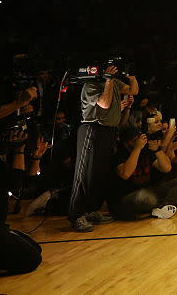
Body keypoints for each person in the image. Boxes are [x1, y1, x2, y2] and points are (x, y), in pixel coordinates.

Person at [68, 65, 127, 232]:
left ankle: (90, 210)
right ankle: (76, 215)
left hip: (107, 131)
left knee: (98, 174)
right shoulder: (90, 85)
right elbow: (105, 104)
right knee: (83, 174)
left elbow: (133, 90)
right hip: (91, 129)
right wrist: (109, 80)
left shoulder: (112, 84)